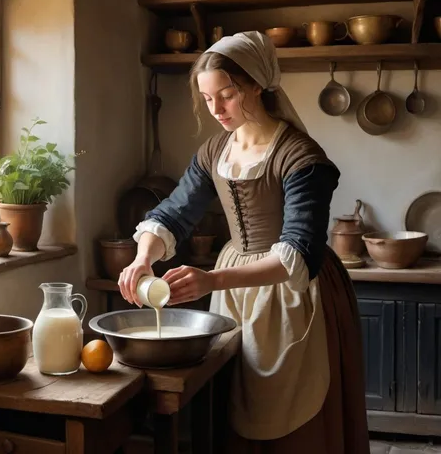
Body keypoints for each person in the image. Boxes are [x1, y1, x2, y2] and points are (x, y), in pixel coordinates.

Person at [118, 31, 370, 453]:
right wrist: (143, 257)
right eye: (207, 98)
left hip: (294, 289)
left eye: (228, 95)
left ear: (258, 83)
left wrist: (212, 280)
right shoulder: (215, 150)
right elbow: (175, 211)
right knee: (240, 404)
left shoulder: (301, 156)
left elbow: (299, 253)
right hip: (236, 291)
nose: (216, 109)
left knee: (294, 411)